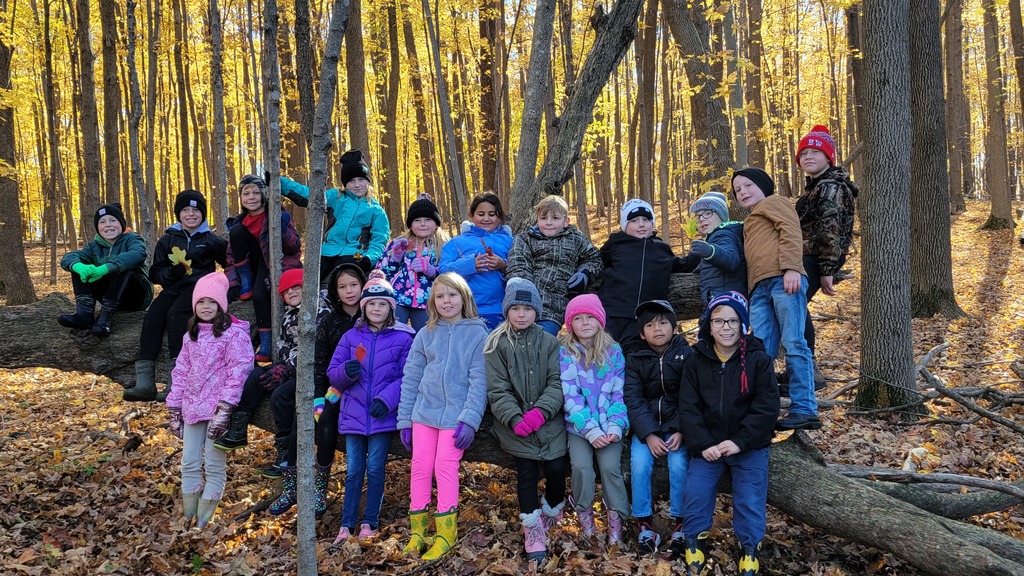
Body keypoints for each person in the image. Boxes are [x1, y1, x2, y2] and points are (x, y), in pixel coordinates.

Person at [678, 291, 779, 576]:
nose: (726, 327)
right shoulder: (696, 360)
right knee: (696, 492)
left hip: (748, 445)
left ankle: (750, 549)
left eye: (733, 321)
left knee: (750, 497)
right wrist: (703, 443)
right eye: (719, 321)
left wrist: (739, 441)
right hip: (708, 445)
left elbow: (767, 407)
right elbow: (688, 407)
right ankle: (695, 542)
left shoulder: (758, 359)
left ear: (743, 324)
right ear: (709, 326)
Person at [397, 272, 489, 560]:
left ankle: (446, 534)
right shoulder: (425, 333)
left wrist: (470, 419)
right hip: (424, 413)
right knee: (420, 466)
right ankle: (418, 533)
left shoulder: (478, 333)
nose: (446, 301)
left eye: (452, 295)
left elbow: (480, 381)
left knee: (444, 466)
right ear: (432, 302)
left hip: (455, 418)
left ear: (464, 298)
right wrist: (405, 420)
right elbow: (411, 377)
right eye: (440, 296)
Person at [327, 271, 414, 541]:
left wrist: (386, 401)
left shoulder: (404, 339)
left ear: (391, 308)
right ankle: (346, 525)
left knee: (375, 469)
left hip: (381, 415)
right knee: (354, 470)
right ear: (364, 307)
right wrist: (346, 372)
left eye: (382, 304)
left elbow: (407, 376)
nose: (377, 308)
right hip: (353, 414)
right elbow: (333, 373)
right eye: (372, 303)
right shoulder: (351, 337)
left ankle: (370, 522)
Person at [485, 279, 568, 562]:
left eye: (528, 309)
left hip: (548, 420)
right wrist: (514, 417)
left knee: (556, 467)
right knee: (527, 471)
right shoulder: (496, 344)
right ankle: (532, 529)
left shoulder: (550, 342)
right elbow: (497, 389)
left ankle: (553, 508)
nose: (521, 314)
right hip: (514, 424)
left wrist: (541, 412)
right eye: (515, 308)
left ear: (537, 312)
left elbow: (557, 382)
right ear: (507, 311)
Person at [165, 272, 254, 529]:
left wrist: (225, 408)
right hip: (192, 407)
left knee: (214, 463)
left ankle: (204, 522)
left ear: (221, 305)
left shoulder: (234, 334)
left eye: (212, 302)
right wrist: (174, 407)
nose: (206, 307)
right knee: (189, 461)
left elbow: (240, 370)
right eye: (201, 302)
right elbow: (180, 372)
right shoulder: (190, 336)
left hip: (217, 409)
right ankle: (188, 517)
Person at [733, 167, 818, 430]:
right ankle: (763, 410)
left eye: (748, 185)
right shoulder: (750, 220)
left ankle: (805, 408)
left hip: (783, 279)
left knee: (794, 342)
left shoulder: (774, 202)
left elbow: (791, 230)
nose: (743, 192)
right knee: (760, 349)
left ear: (763, 185)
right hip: (759, 288)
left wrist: (792, 267)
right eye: (738, 190)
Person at [125, 190, 227, 402]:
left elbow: (230, 264)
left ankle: (177, 379)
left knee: (176, 315)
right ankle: (145, 382)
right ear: (178, 214)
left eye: (196, 210)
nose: (191, 214)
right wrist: (171, 274)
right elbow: (155, 272)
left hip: (198, 289)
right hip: (172, 288)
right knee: (153, 316)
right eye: (185, 210)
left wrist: (227, 288)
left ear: (203, 214)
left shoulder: (212, 240)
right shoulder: (168, 239)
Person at [213, 269, 303, 492]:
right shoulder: (287, 315)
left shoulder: (319, 311)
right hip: (289, 366)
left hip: (308, 371)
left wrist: (289, 367)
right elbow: (282, 344)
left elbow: (315, 348)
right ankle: (238, 429)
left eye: (296, 288)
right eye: (287, 291)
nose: (292, 293)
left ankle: (286, 453)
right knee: (255, 376)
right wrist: (283, 365)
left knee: (280, 396)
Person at [559, 294, 629, 548]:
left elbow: (619, 392)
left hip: (609, 425)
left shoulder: (614, 351)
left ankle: (616, 523)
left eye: (590, 317)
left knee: (610, 468)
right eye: (578, 318)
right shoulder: (565, 353)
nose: (585, 322)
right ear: (571, 324)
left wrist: (615, 425)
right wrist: (590, 430)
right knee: (581, 468)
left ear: (600, 320)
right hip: (579, 427)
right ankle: (586, 519)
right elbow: (570, 395)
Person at [624, 300, 692, 556]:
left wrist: (682, 430)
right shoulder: (635, 358)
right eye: (650, 325)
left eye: (663, 323)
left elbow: (692, 396)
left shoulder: (687, 355)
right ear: (642, 333)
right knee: (640, 464)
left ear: (674, 327)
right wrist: (649, 434)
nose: (658, 329)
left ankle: (681, 523)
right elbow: (633, 399)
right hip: (646, 427)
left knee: (679, 463)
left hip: (678, 425)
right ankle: (644, 523)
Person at [794, 125, 859, 385]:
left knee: (794, 303)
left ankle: (807, 369)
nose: (808, 156)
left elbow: (829, 228)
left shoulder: (830, 186)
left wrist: (827, 270)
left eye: (815, 152)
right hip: (811, 255)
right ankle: (803, 367)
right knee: (793, 305)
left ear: (828, 157)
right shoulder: (817, 186)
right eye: (804, 153)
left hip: (817, 257)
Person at [307, 261, 365, 515]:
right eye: (343, 287)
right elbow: (319, 361)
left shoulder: (373, 315)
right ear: (335, 291)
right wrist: (318, 396)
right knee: (326, 419)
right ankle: (320, 486)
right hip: (336, 387)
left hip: (367, 387)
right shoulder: (329, 322)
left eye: (354, 284)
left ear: (363, 285)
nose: (349, 291)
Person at [225, 175, 303, 362]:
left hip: (272, 262)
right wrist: (232, 282)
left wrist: (282, 231)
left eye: (256, 192)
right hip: (251, 264)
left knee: (260, 295)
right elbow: (230, 256)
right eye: (246, 193)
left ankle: (266, 345)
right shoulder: (239, 223)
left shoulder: (277, 215)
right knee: (236, 232)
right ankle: (245, 281)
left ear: (264, 195)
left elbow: (294, 247)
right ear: (241, 198)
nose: (251, 197)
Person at [280, 149, 390, 279]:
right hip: (328, 250)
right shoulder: (336, 197)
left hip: (355, 253)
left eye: (361, 179)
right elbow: (309, 195)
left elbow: (379, 240)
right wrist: (280, 182)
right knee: (308, 276)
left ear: (368, 181)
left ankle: (331, 290)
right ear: (345, 183)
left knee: (344, 273)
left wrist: (369, 258)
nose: (357, 185)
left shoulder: (376, 210)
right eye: (351, 181)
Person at [507, 195, 604, 336]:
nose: (548, 222)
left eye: (555, 218)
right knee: (515, 341)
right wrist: (525, 295)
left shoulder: (576, 238)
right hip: (523, 304)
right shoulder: (524, 238)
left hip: (554, 308)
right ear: (537, 219)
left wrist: (584, 273)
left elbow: (594, 259)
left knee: (541, 341)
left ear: (566, 221)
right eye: (543, 218)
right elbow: (518, 264)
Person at [597, 198, 686, 350]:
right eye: (634, 220)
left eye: (646, 219)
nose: (641, 224)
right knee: (606, 353)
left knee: (636, 354)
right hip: (613, 311)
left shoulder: (661, 248)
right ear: (624, 225)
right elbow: (596, 261)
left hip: (645, 316)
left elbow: (680, 265)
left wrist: (703, 255)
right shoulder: (616, 243)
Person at [59, 203, 152, 338]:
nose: (108, 225)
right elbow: (70, 257)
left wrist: (107, 267)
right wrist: (78, 266)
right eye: (102, 222)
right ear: (98, 227)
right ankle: (84, 314)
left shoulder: (133, 239)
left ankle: (105, 318)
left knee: (123, 268)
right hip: (107, 293)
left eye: (113, 220)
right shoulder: (94, 246)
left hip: (136, 295)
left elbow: (138, 254)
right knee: (79, 265)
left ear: (121, 223)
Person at [439, 193, 513, 331]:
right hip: (466, 310)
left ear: (499, 216)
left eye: (492, 214)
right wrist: (470, 265)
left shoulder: (510, 242)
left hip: (500, 310)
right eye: (481, 214)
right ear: (472, 216)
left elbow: (521, 268)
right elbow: (443, 272)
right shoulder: (457, 242)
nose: (486, 218)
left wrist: (503, 265)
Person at [376, 194, 449, 331]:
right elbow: (381, 272)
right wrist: (395, 258)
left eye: (428, 219)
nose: (422, 224)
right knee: (392, 333)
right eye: (417, 220)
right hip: (398, 297)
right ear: (410, 224)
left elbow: (450, 273)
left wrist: (432, 271)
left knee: (426, 334)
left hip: (428, 300)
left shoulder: (444, 245)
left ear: (436, 223)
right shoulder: (400, 243)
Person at [678, 191, 747, 306]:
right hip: (718, 300)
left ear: (721, 216)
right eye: (697, 216)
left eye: (708, 213)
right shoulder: (713, 239)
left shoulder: (723, 234)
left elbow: (732, 261)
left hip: (727, 301)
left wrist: (710, 252)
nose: (701, 219)